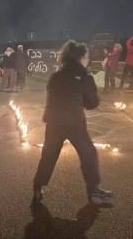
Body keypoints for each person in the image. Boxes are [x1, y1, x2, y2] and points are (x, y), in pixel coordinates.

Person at [33, 40, 112, 205]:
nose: (88, 60)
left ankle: (38, 187)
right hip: (74, 123)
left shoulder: (56, 76)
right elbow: (92, 103)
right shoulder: (84, 77)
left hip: (53, 122)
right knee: (88, 153)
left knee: (48, 156)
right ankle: (94, 191)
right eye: (87, 56)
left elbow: (51, 94)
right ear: (81, 57)